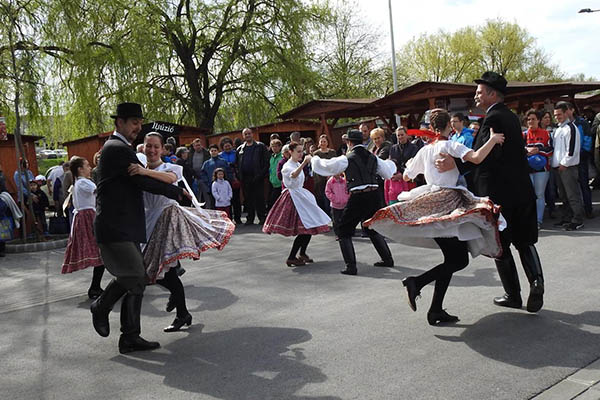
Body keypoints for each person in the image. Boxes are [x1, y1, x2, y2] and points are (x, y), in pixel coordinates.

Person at [365, 109, 505, 325]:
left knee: (453, 259)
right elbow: (476, 158)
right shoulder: (448, 145)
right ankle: (417, 283)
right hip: (449, 204)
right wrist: (494, 140)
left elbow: (407, 175)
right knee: (458, 260)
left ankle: (435, 309)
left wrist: (423, 166)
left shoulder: (425, 150)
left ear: (431, 128)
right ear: (449, 125)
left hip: (432, 203)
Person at [436, 71, 544, 313]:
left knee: (501, 245)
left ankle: (513, 294)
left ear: (492, 94)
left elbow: (483, 157)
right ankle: (537, 282)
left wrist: (456, 164)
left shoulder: (493, 118)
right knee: (525, 242)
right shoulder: (512, 117)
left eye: (480, 91)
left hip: (498, 195)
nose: (476, 94)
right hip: (522, 190)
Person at [90, 102, 186, 354]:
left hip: (126, 225)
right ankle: (100, 307)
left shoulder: (122, 148)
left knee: (138, 280)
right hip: (115, 225)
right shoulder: (116, 148)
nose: (138, 127)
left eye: (140, 123)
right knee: (134, 274)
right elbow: (143, 181)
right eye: (134, 122)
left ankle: (130, 337)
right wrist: (177, 192)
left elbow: (140, 180)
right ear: (119, 122)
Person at [130, 132, 234, 333]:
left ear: (162, 149)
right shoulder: (139, 170)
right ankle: (181, 309)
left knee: (161, 270)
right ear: (143, 147)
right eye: (148, 146)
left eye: (156, 147)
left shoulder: (170, 167)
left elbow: (169, 178)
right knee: (158, 272)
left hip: (168, 218)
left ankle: (181, 312)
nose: (151, 150)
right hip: (149, 221)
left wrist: (143, 172)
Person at [311, 129, 396, 275]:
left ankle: (351, 266)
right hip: (374, 195)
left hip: (359, 195)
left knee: (343, 230)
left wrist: (313, 159)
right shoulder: (373, 157)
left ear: (349, 142)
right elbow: (388, 172)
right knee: (371, 227)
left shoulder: (347, 158)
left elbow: (326, 167)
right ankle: (387, 259)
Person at [263, 142, 330, 266]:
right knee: (304, 229)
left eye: (301, 151)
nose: (301, 154)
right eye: (298, 151)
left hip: (301, 196)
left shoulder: (297, 164)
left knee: (309, 226)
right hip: (293, 198)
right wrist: (304, 163)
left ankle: (302, 253)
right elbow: (293, 176)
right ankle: (292, 257)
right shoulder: (287, 166)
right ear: (291, 152)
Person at [61, 156, 105, 299]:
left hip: (86, 217)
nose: (90, 168)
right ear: (80, 169)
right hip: (88, 218)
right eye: (87, 165)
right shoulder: (84, 183)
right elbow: (101, 192)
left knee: (101, 255)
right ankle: (95, 287)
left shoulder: (80, 183)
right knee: (101, 254)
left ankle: (95, 287)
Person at [552, 102, 584, 231]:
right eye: (555, 115)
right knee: (563, 195)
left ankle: (577, 220)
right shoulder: (559, 129)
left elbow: (572, 150)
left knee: (572, 195)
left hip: (567, 167)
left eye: (559, 114)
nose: (557, 117)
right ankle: (567, 217)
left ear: (566, 113)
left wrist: (564, 163)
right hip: (559, 167)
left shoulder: (571, 128)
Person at [523, 109, 553, 229]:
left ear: (538, 120)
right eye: (528, 119)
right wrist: (526, 151)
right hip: (527, 169)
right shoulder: (523, 135)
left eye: (533, 119)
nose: (530, 121)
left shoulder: (546, 134)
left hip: (542, 170)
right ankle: (529, 219)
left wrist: (538, 151)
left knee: (539, 194)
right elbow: (517, 149)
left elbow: (551, 149)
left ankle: (538, 220)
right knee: (529, 195)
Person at [236, 128, 269, 225]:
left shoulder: (260, 146)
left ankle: (262, 218)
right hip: (245, 178)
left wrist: (261, 175)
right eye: (245, 134)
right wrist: (239, 176)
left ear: (252, 134)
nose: (247, 135)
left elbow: (266, 162)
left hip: (258, 177)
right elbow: (237, 164)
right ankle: (249, 218)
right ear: (243, 136)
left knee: (260, 198)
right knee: (248, 199)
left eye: (249, 133)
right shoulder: (240, 149)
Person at [312, 135, 337, 215]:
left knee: (331, 198)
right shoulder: (316, 153)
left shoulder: (332, 152)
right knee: (321, 198)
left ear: (327, 143)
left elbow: (334, 164)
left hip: (331, 179)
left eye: (324, 141)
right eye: (321, 141)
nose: (323, 143)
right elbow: (315, 167)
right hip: (320, 180)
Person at [187, 138, 212, 208]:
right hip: (194, 177)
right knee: (196, 196)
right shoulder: (190, 153)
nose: (198, 147)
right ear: (194, 146)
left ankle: (208, 210)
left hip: (204, 177)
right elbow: (189, 164)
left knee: (206, 195)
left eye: (199, 145)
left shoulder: (206, 152)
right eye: (196, 145)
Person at [325, 173, 349, 240]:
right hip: (335, 205)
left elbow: (348, 190)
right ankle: (337, 234)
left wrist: (346, 198)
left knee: (344, 219)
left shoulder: (344, 181)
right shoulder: (330, 181)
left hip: (344, 204)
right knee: (336, 220)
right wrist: (334, 199)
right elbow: (328, 192)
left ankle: (344, 233)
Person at [267, 139, 283, 210]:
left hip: (280, 183)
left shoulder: (282, 157)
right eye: (273, 146)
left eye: (276, 146)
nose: (274, 148)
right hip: (272, 183)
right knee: (271, 202)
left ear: (280, 147)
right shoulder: (271, 157)